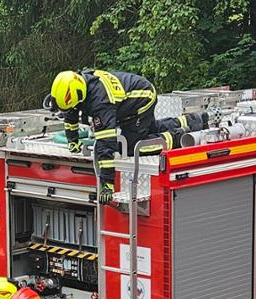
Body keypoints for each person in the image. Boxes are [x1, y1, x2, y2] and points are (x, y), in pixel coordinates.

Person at [47, 69, 197, 202]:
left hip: (142, 99)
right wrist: (73, 141)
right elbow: (71, 112)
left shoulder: (100, 103)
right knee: (149, 129)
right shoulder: (79, 84)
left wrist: (107, 184)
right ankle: (192, 121)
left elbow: (106, 143)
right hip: (132, 96)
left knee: (132, 146)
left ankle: (176, 138)